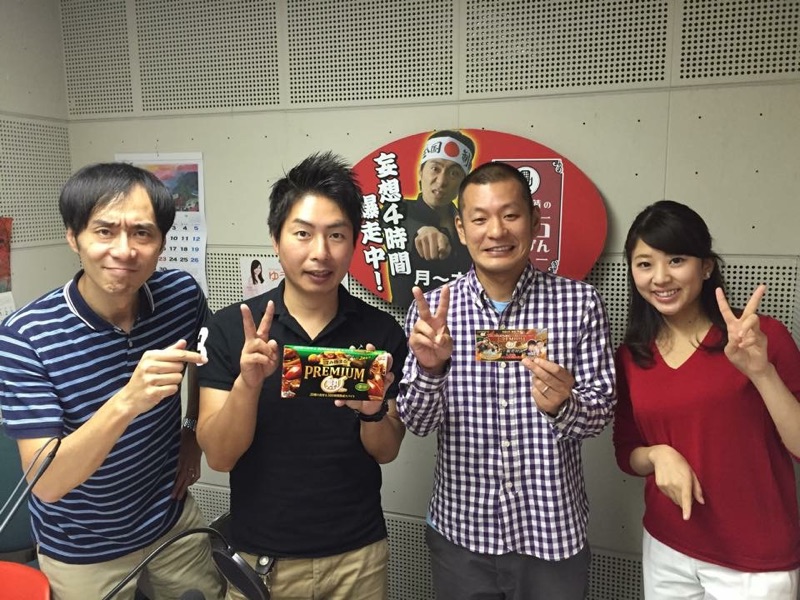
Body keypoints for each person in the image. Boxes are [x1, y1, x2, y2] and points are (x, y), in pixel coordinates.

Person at [0, 163, 223, 600]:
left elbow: (204, 361)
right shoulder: (25, 337)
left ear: (161, 242)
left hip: (170, 518)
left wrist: (192, 431)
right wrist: (128, 401)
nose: (124, 250)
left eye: (142, 233)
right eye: (104, 231)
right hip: (82, 548)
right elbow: (47, 482)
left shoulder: (181, 295)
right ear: (73, 236)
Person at [397, 161, 616, 599]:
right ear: (461, 230)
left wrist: (564, 404)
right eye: (479, 219)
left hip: (551, 533)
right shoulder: (434, 312)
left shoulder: (579, 303)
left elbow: (601, 413)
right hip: (462, 535)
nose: (496, 231)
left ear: (535, 221)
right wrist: (431, 370)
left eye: (511, 215)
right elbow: (416, 423)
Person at [196, 152, 408, 600]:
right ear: (276, 239)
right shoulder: (231, 329)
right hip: (261, 557)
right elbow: (219, 457)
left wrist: (372, 412)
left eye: (336, 235)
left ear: (354, 243)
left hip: (358, 558)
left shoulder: (380, 333)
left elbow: (387, 451)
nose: (320, 253)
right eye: (303, 233)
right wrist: (248, 384)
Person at [613, 200, 800, 599]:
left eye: (676, 260)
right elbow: (627, 452)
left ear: (706, 266)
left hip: (754, 561)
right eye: (644, 264)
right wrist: (658, 455)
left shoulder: (762, 338)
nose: (660, 277)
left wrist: (761, 372)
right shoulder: (631, 355)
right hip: (666, 546)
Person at [390, 129, 476, 306]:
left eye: (454, 173)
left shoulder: (468, 224)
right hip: (407, 319)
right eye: (435, 168)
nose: (442, 181)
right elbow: (390, 221)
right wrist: (420, 230)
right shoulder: (398, 210)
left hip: (463, 317)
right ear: (421, 172)